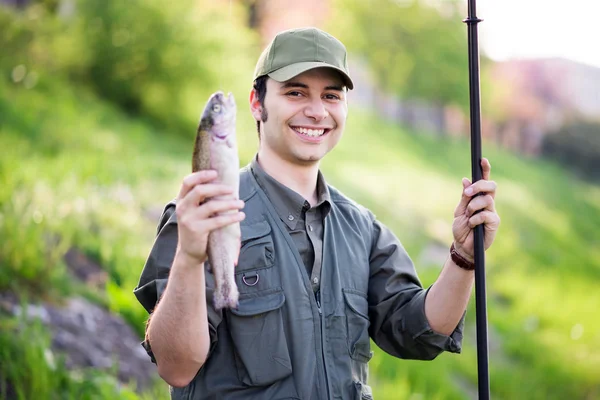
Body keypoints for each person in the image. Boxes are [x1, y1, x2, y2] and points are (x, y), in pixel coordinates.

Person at [134, 27, 500, 399]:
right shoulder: (204, 214)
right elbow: (176, 366)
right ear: (256, 102)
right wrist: (189, 258)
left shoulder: (362, 229)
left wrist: (464, 258)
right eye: (295, 92)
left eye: (331, 95)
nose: (316, 111)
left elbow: (420, 333)